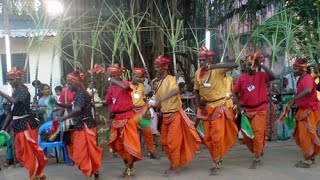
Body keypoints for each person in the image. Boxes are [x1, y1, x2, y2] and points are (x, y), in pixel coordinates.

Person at [152, 55, 202, 177]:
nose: (157, 70)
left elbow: (175, 91)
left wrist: (161, 100)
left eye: (158, 67)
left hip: (175, 115)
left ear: (165, 67)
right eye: (156, 67)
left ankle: (175, 167)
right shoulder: (158, 83)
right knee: (164, 142)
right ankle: (175, 162)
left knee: (172, 142)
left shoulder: (170, 79)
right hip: (165, 117)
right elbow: (158, 103)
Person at [193, 46, 238, 175]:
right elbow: (196, 91)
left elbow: (234, 64)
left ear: (209, 60)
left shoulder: (218, 69)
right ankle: (217, 156)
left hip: (219, 106)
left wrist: (214, 67)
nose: (201, 63)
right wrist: (198, 106)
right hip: (206, 108)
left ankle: (216, 162)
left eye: (203, 60)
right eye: (200, 60)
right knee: (207, 138)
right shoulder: (198, 73)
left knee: (216, 136)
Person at [0, 67, 48, 180]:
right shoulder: (16, 92)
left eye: (11, 80)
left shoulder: (23, 91)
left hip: (26, 124)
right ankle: (38, 174)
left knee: (29, 152)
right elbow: (10, 113)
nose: (9, 82)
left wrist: (2, 93)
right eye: (8, 80)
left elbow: (15, 101)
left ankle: (35, 175)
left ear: (16, 79)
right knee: (21, 153)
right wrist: (2, 129)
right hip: (18, 125)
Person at [233, 52, 277, 169]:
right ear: (245, 66)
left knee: (258, 133)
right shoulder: (241, 78)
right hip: (246, 110)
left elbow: (274, 76)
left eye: (252, 63)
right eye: (248, 64)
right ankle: (258, 150)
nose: (250, 66)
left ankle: (257, 157)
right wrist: (239, 107)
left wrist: (261, 65)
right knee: (247, 136)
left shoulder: (261, 76)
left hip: (260, 110)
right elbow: (235, 93)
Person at [58, 71, 102, 179]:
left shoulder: (81, 94)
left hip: (85, 125)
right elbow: (73, 106)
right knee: (87, 150)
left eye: (69, 83)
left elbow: (77, 109)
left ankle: (89, 173)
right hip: (83, 125)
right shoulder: (79, 94)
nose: (68, 86)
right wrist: (58, 104)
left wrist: (64, 117)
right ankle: (93, 171)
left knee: (81, 151)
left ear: (76, 83)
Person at [106, 64, 142, 178]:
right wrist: (109, 118)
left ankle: (130, 169)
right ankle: (127, 166)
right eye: (111, 76)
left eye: (115, 75)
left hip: (128, 118)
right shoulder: (110, 89)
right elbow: (110, 104)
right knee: (118, 144)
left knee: (129, 145)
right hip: (116, 120)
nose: (112, 78)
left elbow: (127, 88)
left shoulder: (126, 83)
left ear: (119, 76)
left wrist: (114, 81)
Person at [287, 58, 320, 168]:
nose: (293, 70)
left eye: (295, 68)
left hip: (309, 111)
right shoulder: (302, 78)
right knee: (307, 135)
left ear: (301, 69)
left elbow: (307, 91)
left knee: (305, 135)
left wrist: (293, 100)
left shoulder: (306, 78)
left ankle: (307, 160)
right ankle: (311, 156)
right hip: (306, 110)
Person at [130, 67, 158, 159]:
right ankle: (134, 153)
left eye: (139, 77)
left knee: (147, 133)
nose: (137, 78)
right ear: (132, 76)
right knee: (133, 134)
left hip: (142, 111)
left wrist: (147, 108)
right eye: (136, 76)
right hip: (132, 112)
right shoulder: (128, 86)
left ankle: (151, 151)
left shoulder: (142, 86)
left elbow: (143, 98)